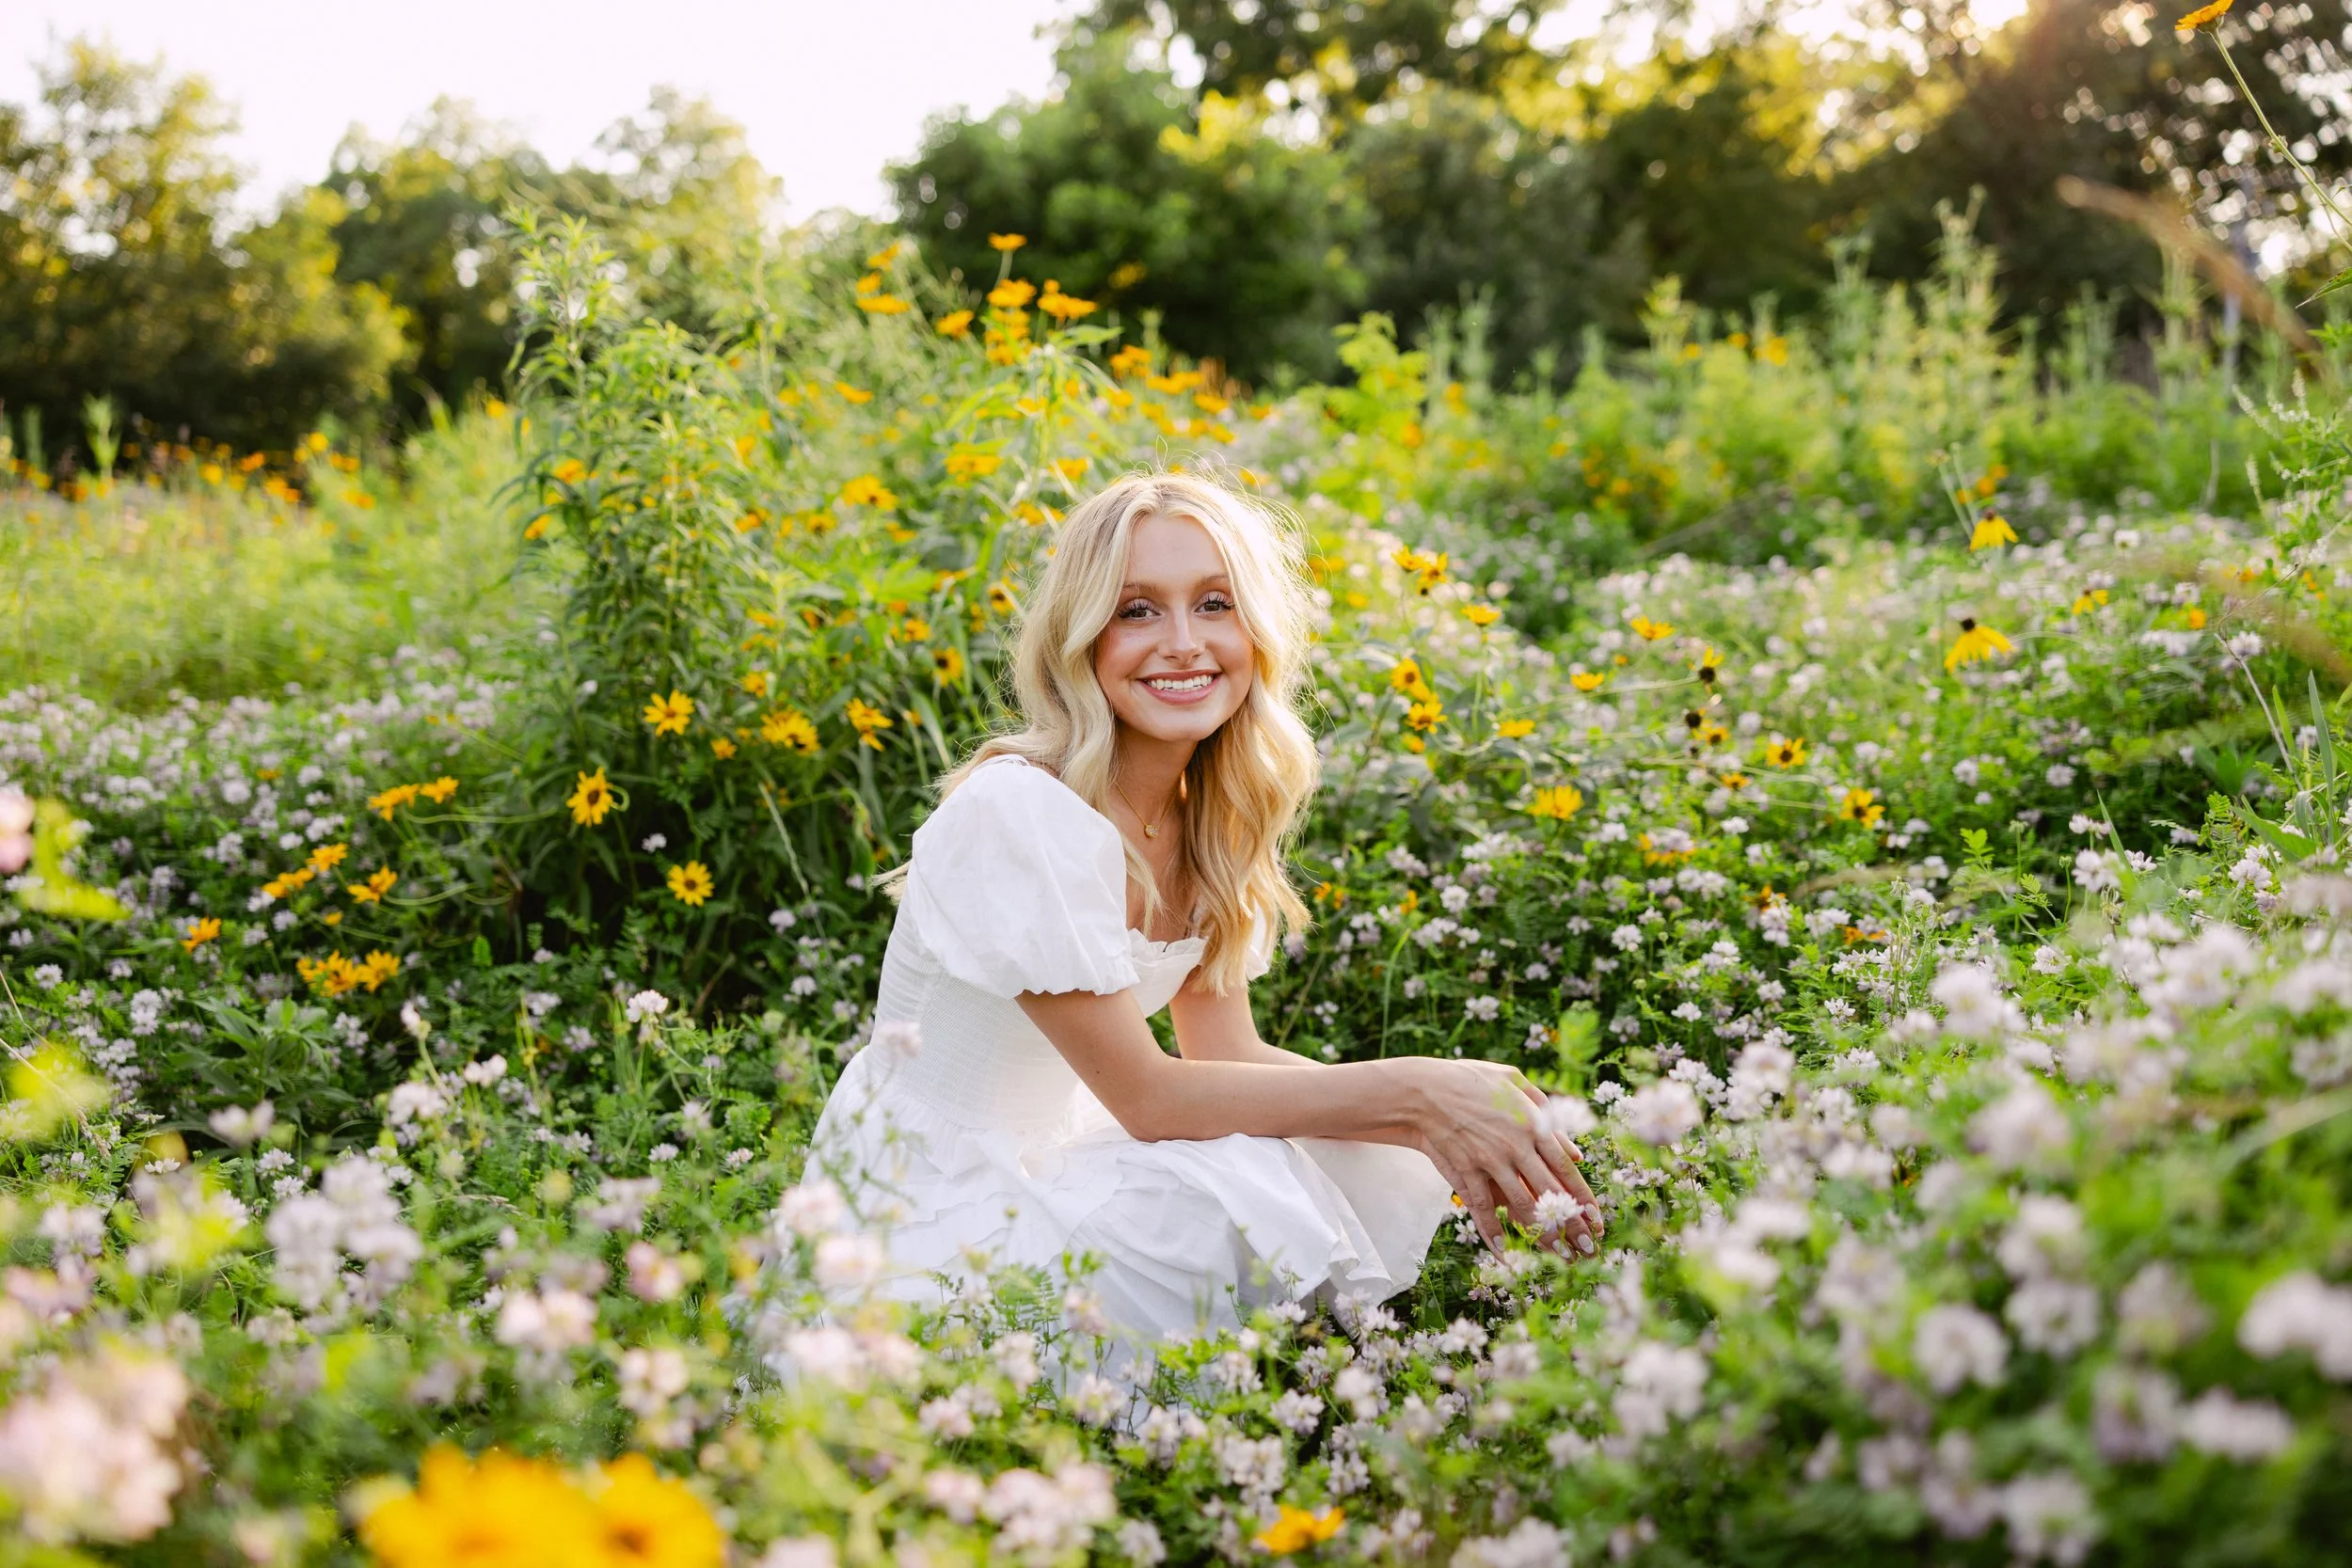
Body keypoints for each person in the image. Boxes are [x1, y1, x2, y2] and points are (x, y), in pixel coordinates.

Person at [807, 469, 1597, 1344]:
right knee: (1232, 1188)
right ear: (1081, 639)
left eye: (1214, 603)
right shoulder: (1019, 810)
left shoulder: (1206, 817)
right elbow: (1150, 1097)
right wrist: (1416, 1091)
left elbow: (1228, 1054)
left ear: (1256, 630)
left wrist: (1460, 1119)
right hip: (922, 1201)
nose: (1183, 642)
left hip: (1056, 1149)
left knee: (1293, 1147)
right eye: (1137, 609)